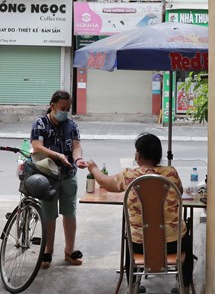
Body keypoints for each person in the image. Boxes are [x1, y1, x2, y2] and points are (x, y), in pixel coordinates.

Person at [87, 133, 193, 293]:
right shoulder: (171, 173)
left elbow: (104, 182)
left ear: (139, 155)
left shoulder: (129, 175)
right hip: (174, 245)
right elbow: (179, 191)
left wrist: (93, 168)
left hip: (140, 245)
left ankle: (133, 287)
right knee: (187, 240)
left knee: (131, 238)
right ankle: (184, 286)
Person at [30, 90, 87, 268]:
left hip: (69, 175)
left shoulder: (72, 125)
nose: (65, 112)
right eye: (62, 108)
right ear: (52, 105)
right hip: (47, 176)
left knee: (70, 213)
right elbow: (37, 146)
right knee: (49, 215)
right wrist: (58, 155)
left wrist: (77, 159)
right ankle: (48, 251)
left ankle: (69, 251)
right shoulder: (40, 124)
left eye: (68, 109)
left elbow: (77, 146)